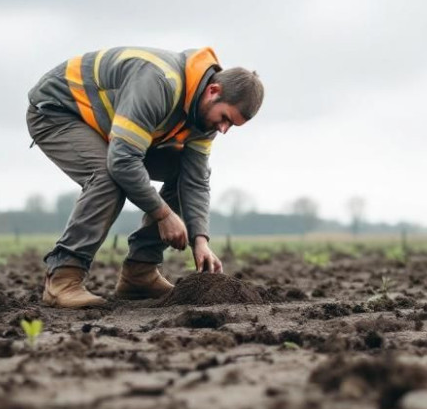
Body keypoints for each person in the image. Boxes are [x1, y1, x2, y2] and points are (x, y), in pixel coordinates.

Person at [26, 47, 264, 308]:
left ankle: (140, 273)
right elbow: (122, 160)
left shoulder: (203, 118)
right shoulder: (158, 83)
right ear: (213, 91)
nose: (223, 129)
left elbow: (195, 179)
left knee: (182, 171)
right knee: (108, 177)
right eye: (225, 119)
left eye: (231, 126)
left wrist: (200, 239)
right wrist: (163, 214)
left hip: (108, 130)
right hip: (59, 111)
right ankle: (62, 280)